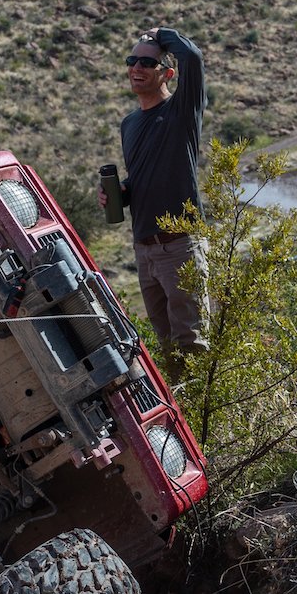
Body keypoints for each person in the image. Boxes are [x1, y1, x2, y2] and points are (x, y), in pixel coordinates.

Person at [110, 26, 207, 376]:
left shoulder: (181, 110)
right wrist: (123, 191)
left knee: (191, 343)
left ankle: (209, 422)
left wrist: (162, 35)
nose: (137, 67)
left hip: (179, 244)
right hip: (145, 249)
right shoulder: (130, 123)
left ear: (166, 73)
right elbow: (141, 175)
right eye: (132, 60)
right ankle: (188, 419)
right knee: (166, 347)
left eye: (147, 63)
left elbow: (192, 58)